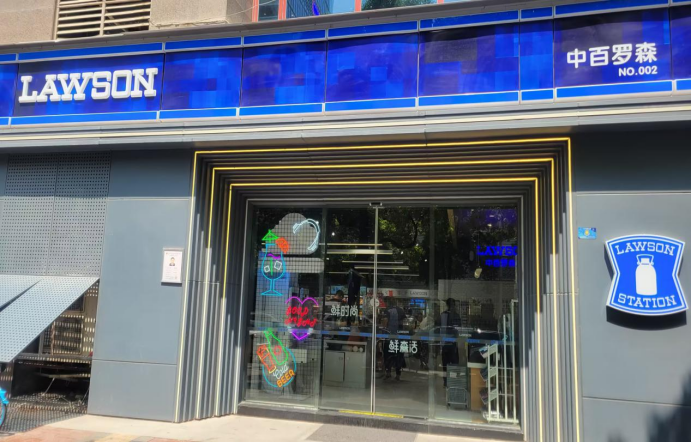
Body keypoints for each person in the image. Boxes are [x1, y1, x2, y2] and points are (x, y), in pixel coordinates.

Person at [439, 298, 461, 387]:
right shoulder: (456, 316)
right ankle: (453, 380)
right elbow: (458, 330)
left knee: (445, 363)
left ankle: (446, 381)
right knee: (454, 362)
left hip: (445, 343)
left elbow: (440, 329)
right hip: (452, 343)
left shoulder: (443, 315)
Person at [383, 297, 406, 381]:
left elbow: (385, 322)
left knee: (387, 354)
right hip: (399, 337)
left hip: (389, 337)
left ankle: (388, 372)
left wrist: (383, 328)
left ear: (388, 302)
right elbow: (404, 323)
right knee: (399, 355)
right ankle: (398, 374)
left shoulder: (387, 310)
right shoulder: (401, 310)